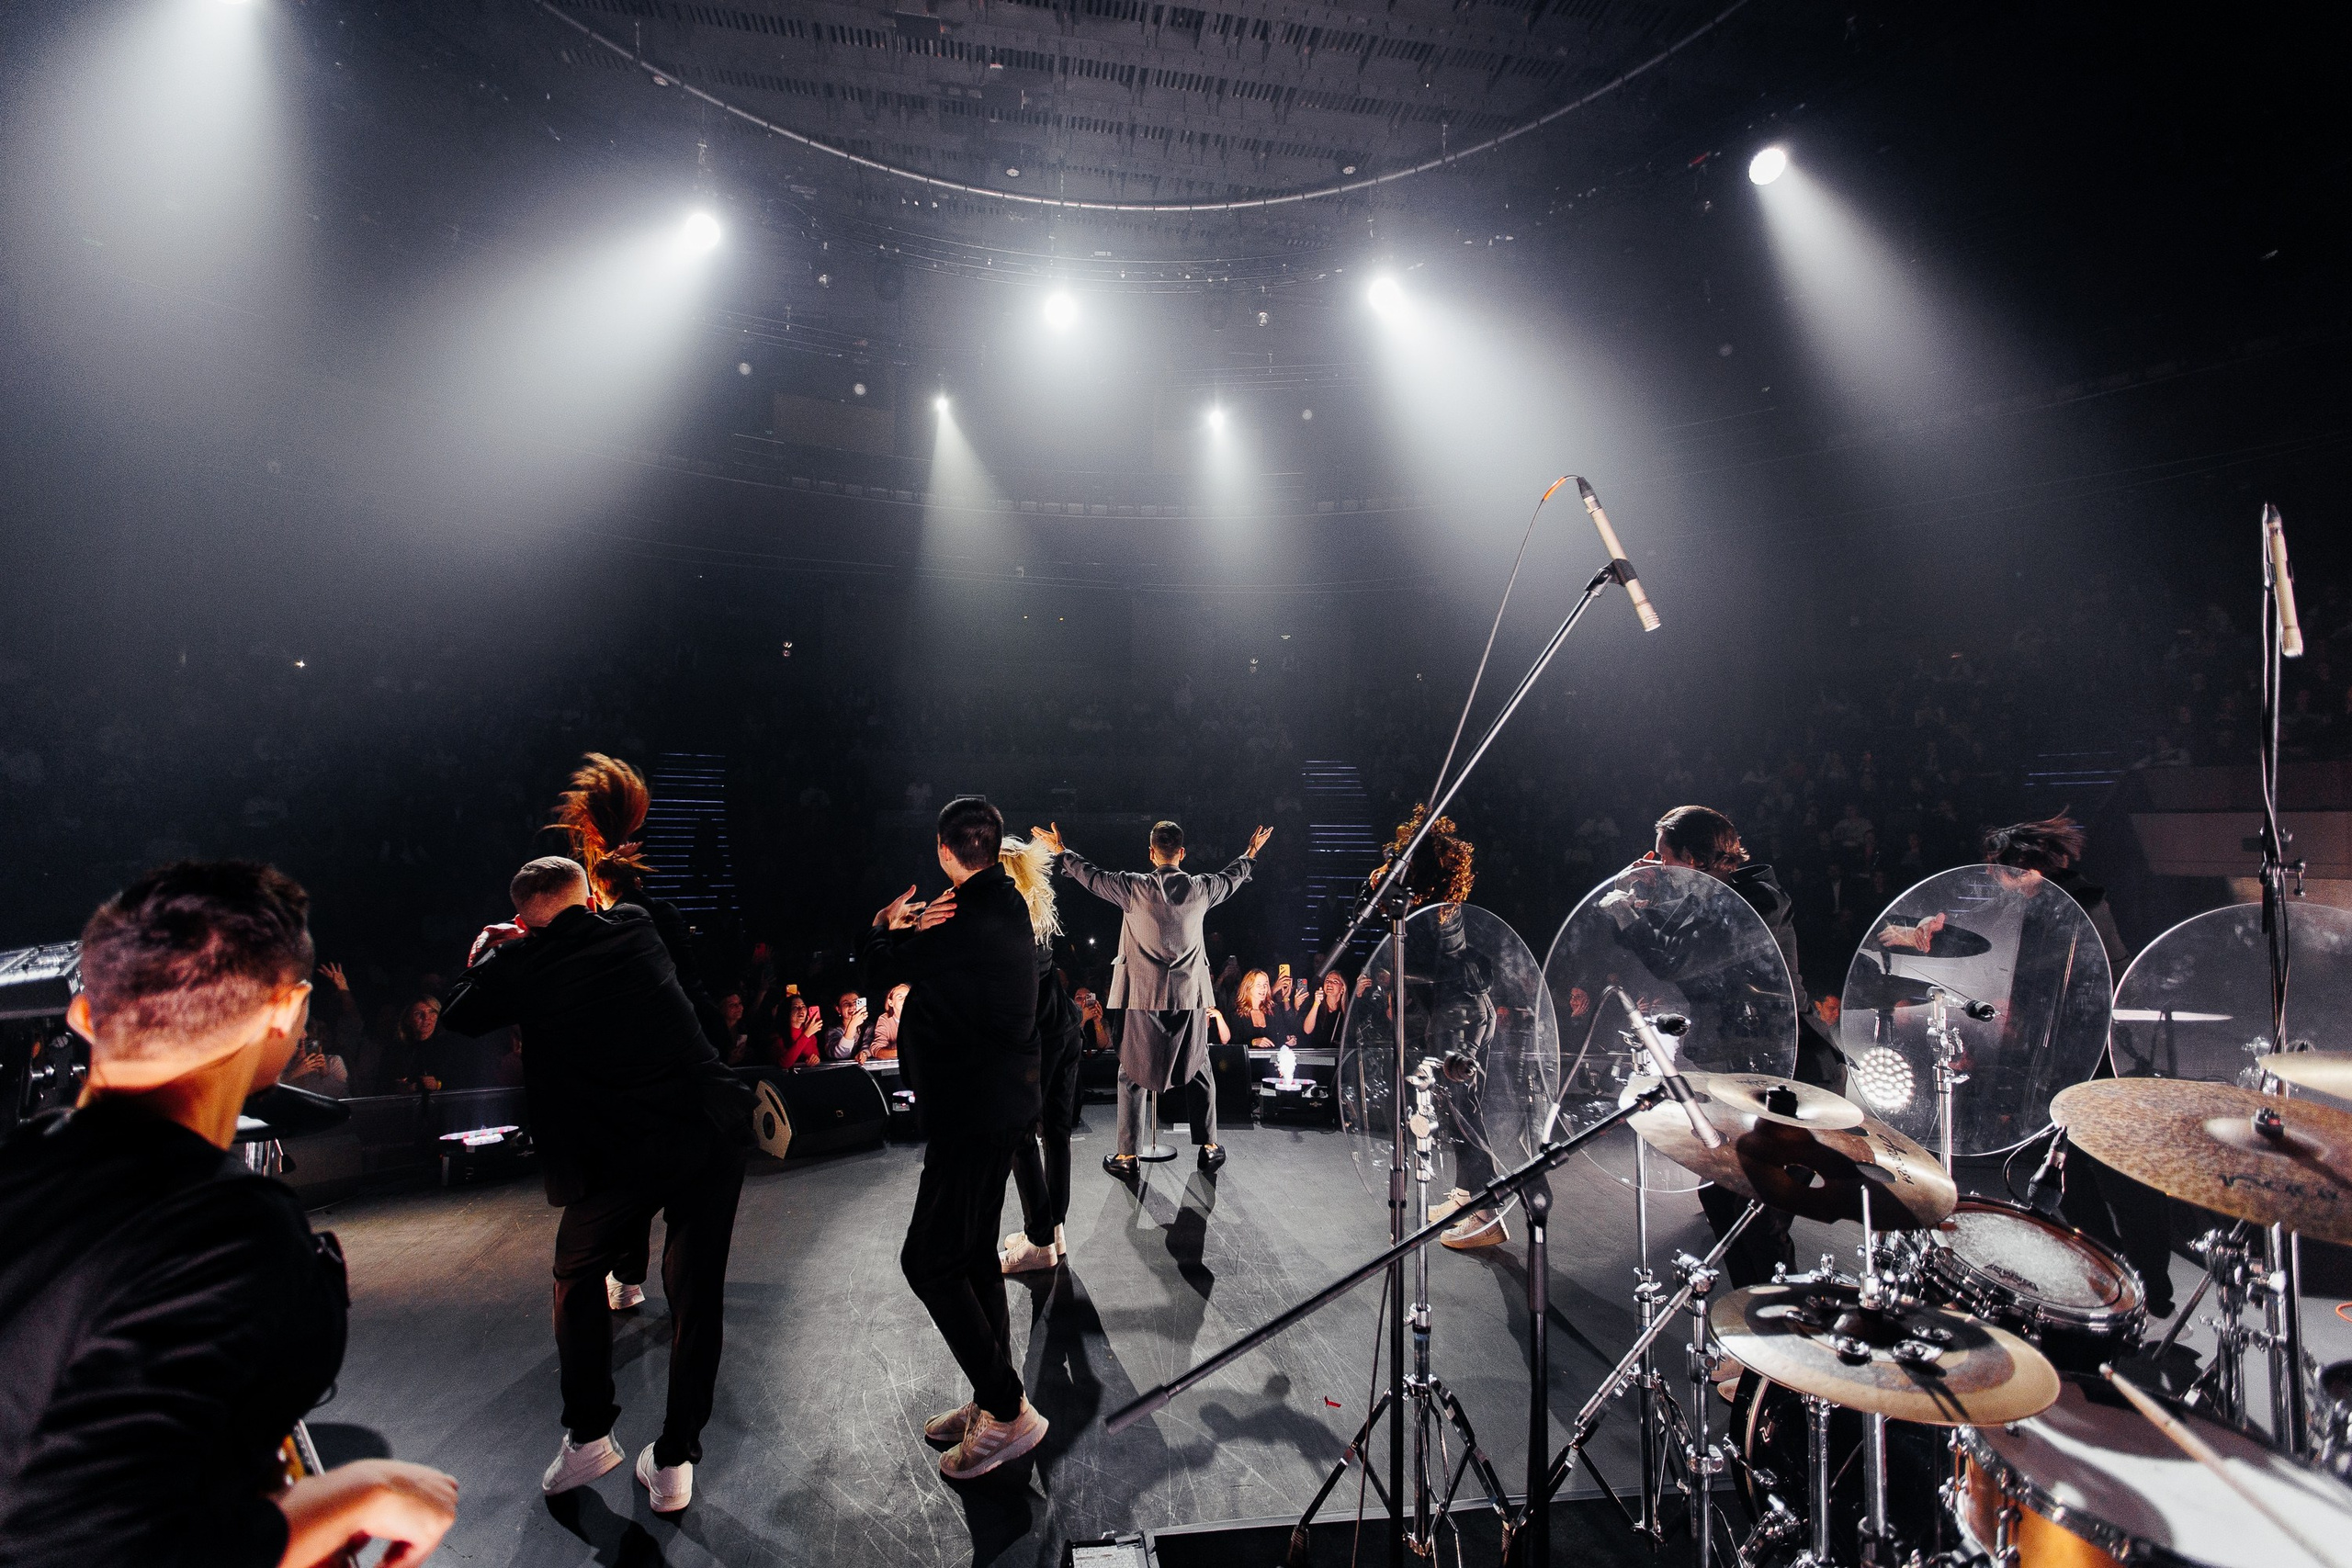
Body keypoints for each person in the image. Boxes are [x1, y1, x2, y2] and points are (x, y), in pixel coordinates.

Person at [0, 861, 458, 1567]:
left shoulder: (22, 1170)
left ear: (83, 1014)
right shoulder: (223, 1224)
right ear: (286, 1008)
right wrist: (357, 1495)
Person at [439, 855, 754, 1516]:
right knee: (697, 1296)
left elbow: (459, 1013)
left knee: (573, 1273)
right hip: (709, 1126)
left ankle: (589, 1434)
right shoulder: (636, 924)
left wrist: (493, 949)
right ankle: (675, 1462)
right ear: (588, 895)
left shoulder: (525, 963)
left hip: (624, 1151)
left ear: (525, 917)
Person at [861, 796, 1049, 1480]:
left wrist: (887, 924)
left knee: (927, 1260)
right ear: (993, 846)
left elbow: (883, 968)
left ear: (944, 848)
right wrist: (911, 932)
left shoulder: (972, 914)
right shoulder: (995, 904)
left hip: (975, 1113)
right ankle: (992, 1395)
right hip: (989, 1108)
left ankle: (1007, 1409)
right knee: (969, 1254)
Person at [1648, 805, 1844, 1289]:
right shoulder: (1710, 900)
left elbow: (1681, 961)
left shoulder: (1758, 901)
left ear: (1692, 860)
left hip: (1800, 1075)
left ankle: (1783, 1339)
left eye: (1663, 857)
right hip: (1756, 1070)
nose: (1655, 864)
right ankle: (1753, 1332)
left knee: (1761, 1213)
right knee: (1720, 1199)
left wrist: (1639, 906)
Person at [1044, 818, 1271, 1179]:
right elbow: (1232, 877)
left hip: (1142, 995)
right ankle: (1210, 1147)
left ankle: (1127, 1156)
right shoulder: (1200, 888)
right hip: (1189, 995)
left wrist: (1061, 850)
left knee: (1131, 1071)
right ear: (1182, 853)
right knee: (1199, 1065)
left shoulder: (1132, 887)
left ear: (1151, 853)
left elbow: (1091, 876)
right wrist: (1251, 852)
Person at [998, 836, 1084, 1277]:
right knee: (1057, 1131)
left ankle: (1038, 1241)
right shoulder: (1034, 904)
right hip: (1065, 1026)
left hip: (1041, 1037)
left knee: (1019, 1135)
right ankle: (1054, 1228)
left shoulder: (1007, 915)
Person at [822, 990, 875, 1063]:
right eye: (846, 1003)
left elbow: (869, 1046)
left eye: (855, 1002)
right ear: (838, 1009)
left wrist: (864, 1054)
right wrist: (853, 1025)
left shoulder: (868, 1027)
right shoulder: (833, 1030)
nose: (852, 1006)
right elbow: (840, 1054)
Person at [869, 983, 909, 1060]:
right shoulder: (885, 1019)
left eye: (908, 996)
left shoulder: (920, 1017)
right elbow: (877, 1050)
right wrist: (904, 1052)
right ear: (891, 1002)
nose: (905, 999)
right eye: (900, 997)